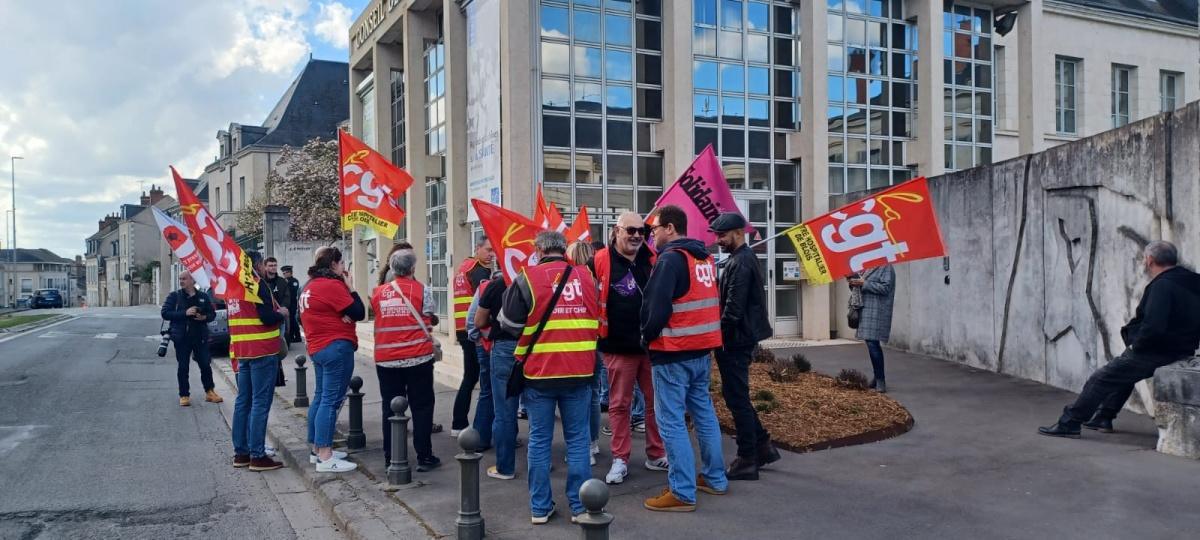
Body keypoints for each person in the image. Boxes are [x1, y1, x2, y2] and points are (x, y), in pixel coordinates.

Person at [1040, 241, 1200, 438]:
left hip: (1156, 351)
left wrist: (1137, 346)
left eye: (1144, 258)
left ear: (1150, 261)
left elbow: (1154, 326)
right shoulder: (1194, 280)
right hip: (1182, 349)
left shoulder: (1162, 285)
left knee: (1100, 378)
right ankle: (1103, 417)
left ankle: (1070, 422)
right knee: (1124, 375)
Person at [498, 231, 599, 524]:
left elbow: (509, 324)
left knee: (540, 440)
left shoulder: (526, 278)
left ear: (539, 249)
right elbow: (597, 317)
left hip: (540, 371)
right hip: (580, 370)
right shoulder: (586, 277)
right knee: (579, 440)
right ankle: (581, 507)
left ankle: (540, 508)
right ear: (562, 250)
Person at [640, 205, 728, 512]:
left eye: (654, 230)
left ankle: (682, 492)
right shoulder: (704, 257)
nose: (651, 236)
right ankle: (716, 478)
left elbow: (656, 308)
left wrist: (645, 336)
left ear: (670, 228)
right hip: (701, 350)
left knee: (671, 422)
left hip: (672, 352)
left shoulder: (670, 260)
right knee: (703, 414)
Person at [592, 212, 668, 485]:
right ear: (617, 231)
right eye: (631, 230)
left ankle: (656, 454)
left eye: (642, 230)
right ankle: (620, 459)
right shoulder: (600, 260)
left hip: (650, 347)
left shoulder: (652, 258)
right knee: (620, 405)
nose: (637, 235)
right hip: (617, 347)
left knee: (654, 404)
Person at [710, 212, 779, 481]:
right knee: (737, 396)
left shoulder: (741, 263)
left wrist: (717, 338)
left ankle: (747, 458)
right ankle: (762, 446)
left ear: (738, 233)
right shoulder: (741, 259)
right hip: (740, 339)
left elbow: (732, 311)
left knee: (736, 398)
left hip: (736, 341)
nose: (718, 240)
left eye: (722, 235)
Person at [371, 249, 441, 471]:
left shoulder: (378, 292)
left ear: (392, 268)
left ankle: (391, 455)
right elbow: (430, 316)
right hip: (417, 357)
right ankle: (424, 455)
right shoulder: (422, 290)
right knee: (421, 406)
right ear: (412, 268)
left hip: (386, 359)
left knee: (389, 408)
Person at [300, 246, 365, 473]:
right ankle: (326, 455)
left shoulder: (309, 286)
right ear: (334, 264)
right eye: (341, 263)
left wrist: (341, 311)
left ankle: (317, 448)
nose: (343, 268)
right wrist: (350, 287)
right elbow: (359, 311)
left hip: (318, 346)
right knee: (331, 400)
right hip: (335, 345)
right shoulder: (332, 285)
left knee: (320, 397)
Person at [230, 251, 288, 472]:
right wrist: (281, 313)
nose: (265, 268)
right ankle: (257, 455)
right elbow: (266, 317)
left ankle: (241, 452)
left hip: (242, 351)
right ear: (256, 265)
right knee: (260, 403)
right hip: (262, 349)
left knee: (243, 401)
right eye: (263, 264)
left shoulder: (233, 287)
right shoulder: (257, 284)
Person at [476, 266, 521, 480]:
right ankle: (541, 462)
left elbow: (478, 321)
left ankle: (505, 467)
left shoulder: (496, 285)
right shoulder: (538, 281)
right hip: (533, 347)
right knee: (540, 411)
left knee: (504, 410)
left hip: (504, 347)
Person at [451, 237, 495, 437]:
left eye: (493, 251)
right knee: (476, 379)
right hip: (474, 331)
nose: (492, 254)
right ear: (477, 248)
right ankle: (462, 423)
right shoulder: (478, 270)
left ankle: (459, 422)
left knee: (471, 377)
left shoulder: (463, 267)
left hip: (462, 328)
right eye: (487, 250)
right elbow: (486, 299)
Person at [567, 240, 602, 467]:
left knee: (577, 399)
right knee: (593, 396)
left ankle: (583, 447)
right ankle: (593, 443)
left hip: (573, 346)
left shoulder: (568, 279)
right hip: (595, 343)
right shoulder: (596, 280)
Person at [161, 271, 220, 406]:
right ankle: (184, 395)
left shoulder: (203, 297)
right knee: (183, 367)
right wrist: (185, 313)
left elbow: (212, 314)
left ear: (193, 281)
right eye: (180, 279)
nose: (181, 281)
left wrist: (204, 317)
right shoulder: (174, 296)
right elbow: (165, 313)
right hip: (181, 337)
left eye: (184, 279)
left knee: (205, 364)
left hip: (200, 337)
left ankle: (210, 392)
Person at [466, 269, 502, 451]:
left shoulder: (484, 288)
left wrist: (477, 339)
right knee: (507, 395)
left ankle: (480, 438)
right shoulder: (518, 286)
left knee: (487, 392)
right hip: (504, 347)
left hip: (485, 345)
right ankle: (504, 436)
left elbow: (471, 320)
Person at [849, 264, 896, 392]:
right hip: (865, 310)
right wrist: (852, 281)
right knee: (871, 343)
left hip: (877, 310)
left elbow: (886, 288)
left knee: (872, 343)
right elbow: (858, 287)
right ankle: (877, 377)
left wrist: (864, 283)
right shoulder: (864, 266)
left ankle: (881, 380)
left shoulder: (885, 266)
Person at [282, 265, 302, 343]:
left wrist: (287, 283)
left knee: (293, 320)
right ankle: (290, 336)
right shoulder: (283, 281)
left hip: (292, 304)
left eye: (286, 273)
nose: (284, 274)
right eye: (283, 273)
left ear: (290, 273)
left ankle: (297, 336)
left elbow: (293, 291)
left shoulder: (294, 281)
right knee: (289, 321)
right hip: (286, 304)